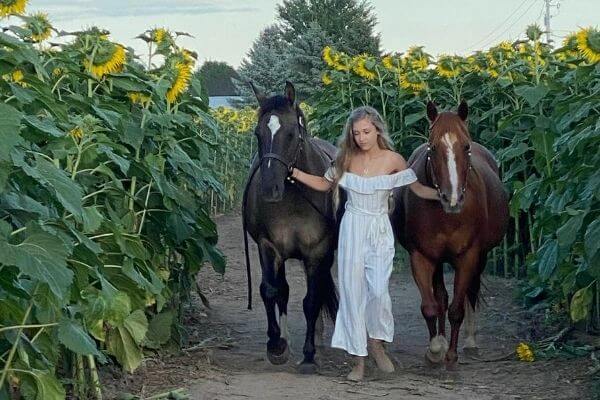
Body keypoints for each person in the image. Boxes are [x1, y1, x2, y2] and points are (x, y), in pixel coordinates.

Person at [289, 106, 439, 381]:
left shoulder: (393, 159)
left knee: (379, 290)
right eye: (356, 133)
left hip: (379, 228)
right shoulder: (346, 158)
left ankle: (376, 343)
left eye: (366, 132)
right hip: (353, 227)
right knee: (353, 293)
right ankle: (357, 360)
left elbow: (416, 188)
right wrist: (295, 173)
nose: (362, 138)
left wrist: (445, 197)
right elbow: (324, 184)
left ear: (377, 129)